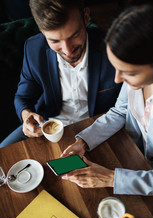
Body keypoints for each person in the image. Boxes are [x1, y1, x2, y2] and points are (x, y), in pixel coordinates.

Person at [61, 2, 153, 196]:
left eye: (128, 72)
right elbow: (120, 111)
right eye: (116, 66)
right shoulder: (138, 78)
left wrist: (111, 178)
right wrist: (83, 142)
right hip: (133, 160)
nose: (117, 79)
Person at [0, 0, 121, 148]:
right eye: (55, 41)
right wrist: (26, 116)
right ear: (41, 30)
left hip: (96, 128)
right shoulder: (33, 49)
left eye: (74, 35)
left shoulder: (112, 48)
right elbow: (23, 97)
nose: (68, 51)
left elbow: (124, 107)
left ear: (86, 17)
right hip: (47, 126)